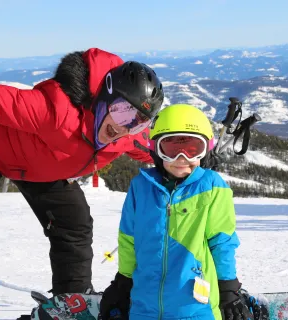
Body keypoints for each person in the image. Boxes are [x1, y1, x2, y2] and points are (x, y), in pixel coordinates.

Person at [0, 48, 164, 294]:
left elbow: (160, 149)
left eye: (138, 121)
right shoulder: (53, 111)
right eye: (122, 111)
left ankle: (72, 301)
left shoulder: (123, 137)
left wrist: (196, 155)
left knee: (74, 222)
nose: (125, 126)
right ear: (105, 97)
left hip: (37, 164)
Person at [99, 104, 266, 320]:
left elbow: (222, 241)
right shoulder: (141, 186)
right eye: (170, 149)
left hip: (196, 308)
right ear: (155, 149)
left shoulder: (212, 186)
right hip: (144, 307)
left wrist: (228, 287)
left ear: (205, 150)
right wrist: (123, 282)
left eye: (192, 149)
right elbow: (129, 239)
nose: (181, 158)